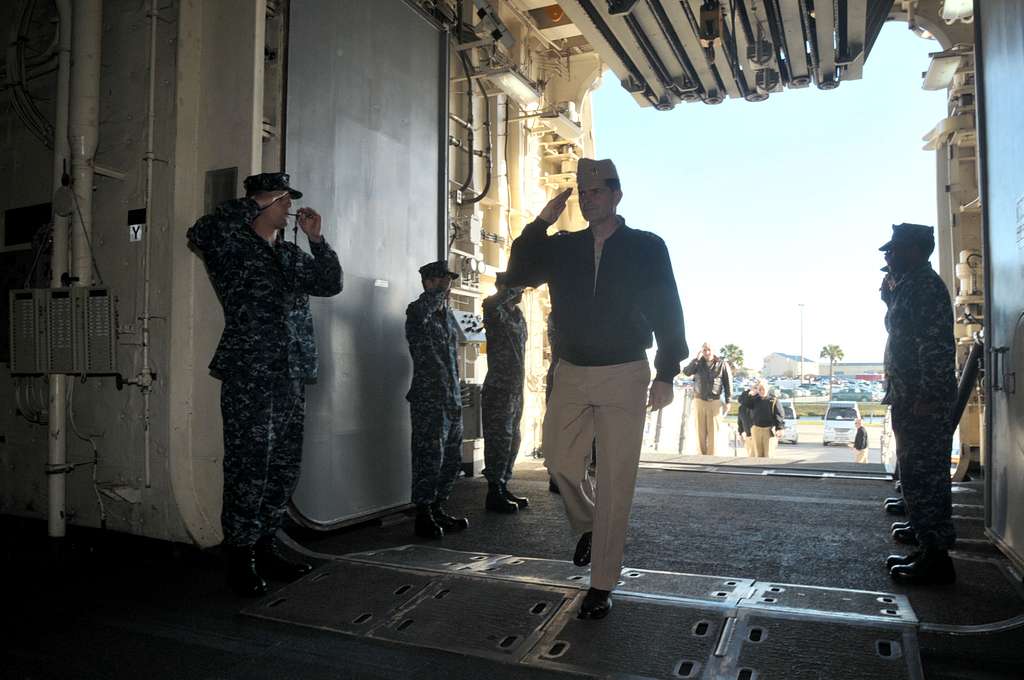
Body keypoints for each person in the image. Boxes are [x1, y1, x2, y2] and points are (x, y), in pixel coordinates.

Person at [505, 158, 687, 620]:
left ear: (617, 195)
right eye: (583, 195)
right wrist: (542, 221)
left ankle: (602, 583)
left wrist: (666, 371)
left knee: (616, 479)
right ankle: (588, 523)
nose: (589, 200)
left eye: (597, 193)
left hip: (625, 371)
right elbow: (520, 272)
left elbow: (668, 306)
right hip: (572, 370)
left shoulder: (646, 247)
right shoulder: (564, 247)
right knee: (560, 460)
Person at [186, 172, 343, 596]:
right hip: (251, 372)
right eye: (283, 200)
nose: (290, 207)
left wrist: (317, 239)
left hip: (291, 372)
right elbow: (199, 231)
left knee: (283, 465)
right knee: (249, 466)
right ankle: (240, 556)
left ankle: (267, 545)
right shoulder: (230, 247)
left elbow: (331, 283)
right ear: (263, 201)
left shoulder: (290, 253)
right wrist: (252, 205)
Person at [878, 223, 957, 585]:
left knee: (926, 477)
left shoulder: (925, 288)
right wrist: (889, 298)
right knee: (915, 472)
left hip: (923, 400)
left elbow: (934, 347)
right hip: (910, 396)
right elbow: (904, 334)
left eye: (894, 250)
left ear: (914, 250)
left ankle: (937, 559)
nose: (888, 256)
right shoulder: (911, 286)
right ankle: (927, 546)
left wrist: (928, 394)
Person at [405, 260, 469, 540]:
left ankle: (439, 506)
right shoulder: (418, 310)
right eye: (442, 280)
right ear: (428, 282)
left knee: (451, 459)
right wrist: (436, 295)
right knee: (428, 458)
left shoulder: (446, 316)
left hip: (450, 398)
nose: (448, 285)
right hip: (428, 399)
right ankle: (423, 514)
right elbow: (422, 311)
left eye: (449, 280)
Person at [481, 273, 529, 513]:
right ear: (503, 288)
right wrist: (511, 286)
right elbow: (490, 303)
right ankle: (493, 491)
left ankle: (502, 484)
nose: (521, 292)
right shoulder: (494, 312)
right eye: (516, 289)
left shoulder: (517, 315)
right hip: (499, 388)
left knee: (513, 440)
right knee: (499, 440)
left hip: (515, 388)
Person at [682, 343, 732, 454]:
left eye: (709, 350)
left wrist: (728, 401)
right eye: (704, 350)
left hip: (714, 401)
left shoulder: (722, 364)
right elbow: (686, 372)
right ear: (701, 351)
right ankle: (701, 455)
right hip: (699, 400)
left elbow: (728, 384)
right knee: (700, 430)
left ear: (713, 351)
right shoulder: (698, 363)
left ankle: (712, 455)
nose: (707, 352)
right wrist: (695, 359)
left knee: (714, 431)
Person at [737, 379, 784, 457]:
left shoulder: (773, 401)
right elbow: (742, 401)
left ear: (767, 389)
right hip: (756, 430)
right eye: (760, 389)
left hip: (768, 430)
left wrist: (779, 428)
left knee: (768, 454)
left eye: (763, 389)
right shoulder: (754, 400)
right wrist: (750, 391)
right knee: (757, 454)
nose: (762, 391)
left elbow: (779, 415)